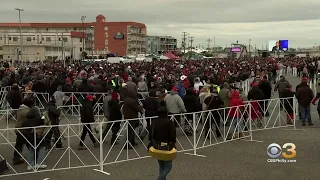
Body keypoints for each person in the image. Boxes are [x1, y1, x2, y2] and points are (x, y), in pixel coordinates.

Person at [148, 101, 176, 180]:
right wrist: (173, 143)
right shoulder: (169, 122)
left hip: (156, 145)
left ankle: (162, 178)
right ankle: (160, 178)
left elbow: (151, 134)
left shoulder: (154, 122)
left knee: (161, 164)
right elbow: (173, 135)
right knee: (168, 166)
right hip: (167, 145)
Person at [21, 100, 47, 170]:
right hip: (37, 136)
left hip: (28, 137)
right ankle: (40, 163)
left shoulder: (26, 120)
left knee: (31, 149)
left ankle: (30, 164)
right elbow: (44, 121)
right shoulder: (39, 119)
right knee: (42, 147)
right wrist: (43, 115)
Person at [12, 98, 33, 165]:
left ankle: (16, 158)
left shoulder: (21, 108)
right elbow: (32, 116)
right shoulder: (25, 110)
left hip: (20, 129)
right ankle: (34, 159)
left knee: (19, 145)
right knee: (29, 144)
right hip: (22, 130)